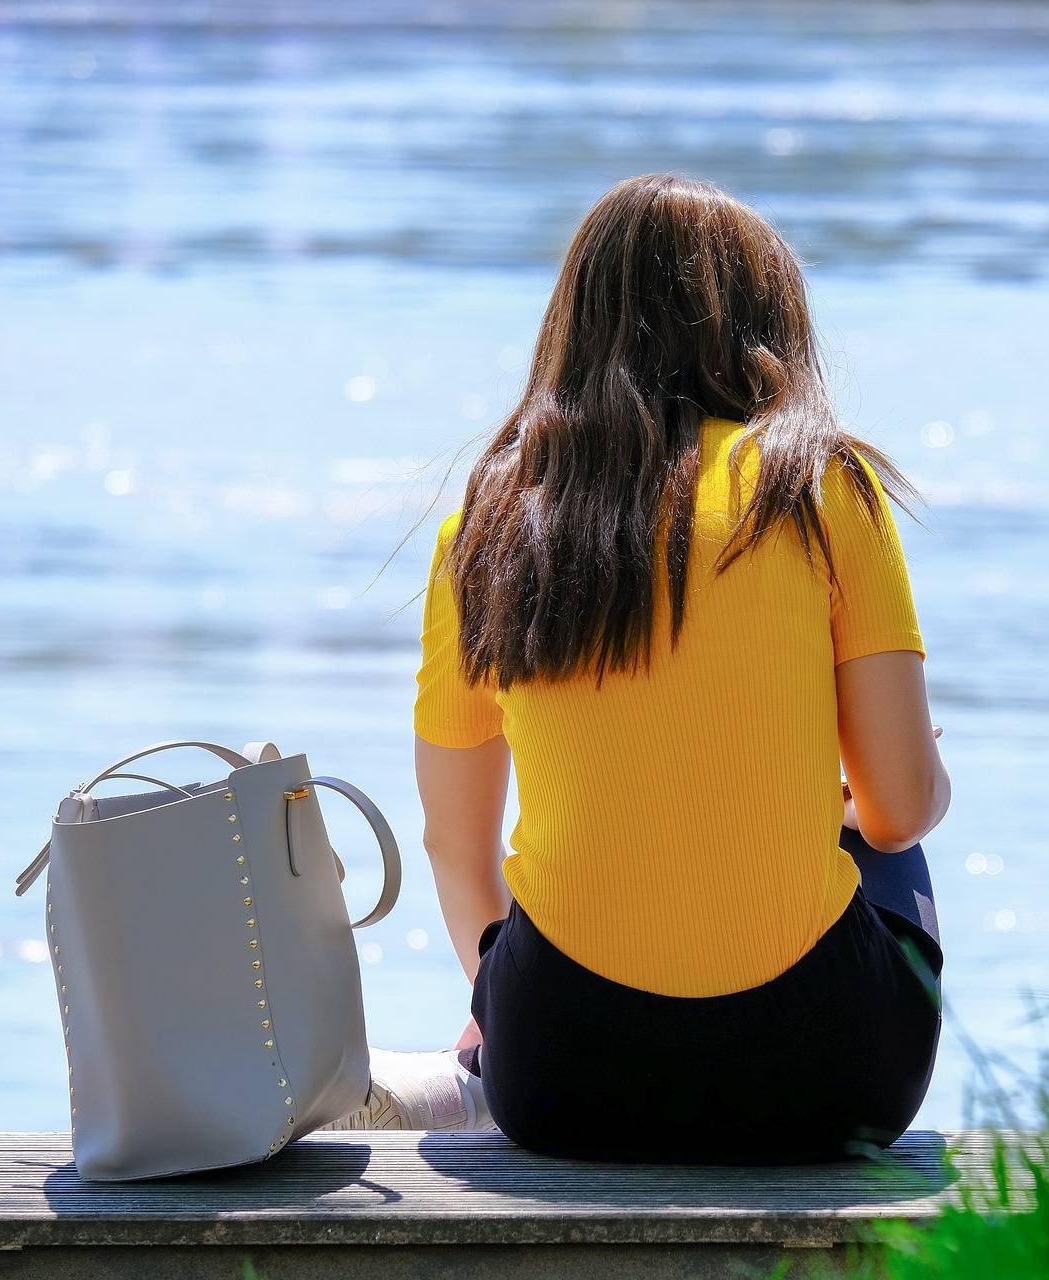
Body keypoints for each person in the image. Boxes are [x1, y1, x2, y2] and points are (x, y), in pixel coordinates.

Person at [404, 173, 948, 1163]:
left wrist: (497, 992)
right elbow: (902, 808)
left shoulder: (486, 525)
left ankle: (494, 1029)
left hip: (561, 1076)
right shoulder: (821, 488)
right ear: (769, 327)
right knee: (881, 840)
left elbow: (451, 840)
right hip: (830, 1076)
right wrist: (861, 794)